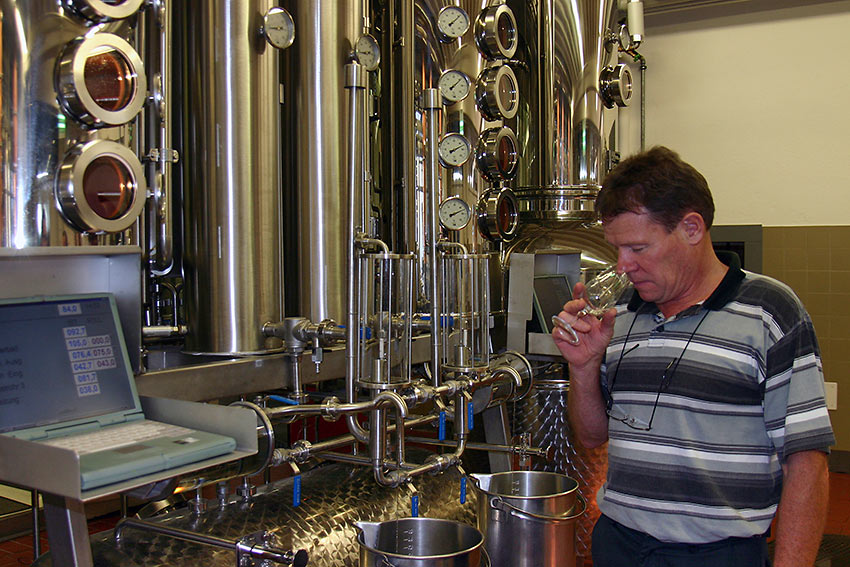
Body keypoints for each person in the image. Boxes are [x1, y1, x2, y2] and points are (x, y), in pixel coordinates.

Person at [553, 146, 834, 567]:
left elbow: (807, 463)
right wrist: (584, 366)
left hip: (719, 553)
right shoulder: (622, 313)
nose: (623, 266)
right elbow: (592, 436)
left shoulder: (769, 311)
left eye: (638, 248)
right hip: (619, 544)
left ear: (691, 227)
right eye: (617, 250)